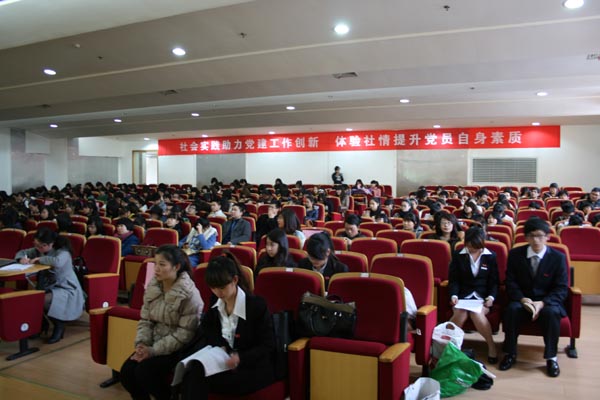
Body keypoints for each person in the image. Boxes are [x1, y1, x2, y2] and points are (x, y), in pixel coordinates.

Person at [178, 254, 276, 399]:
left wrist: (239, 358)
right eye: (213, 288)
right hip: (224, 360)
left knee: (198, 380)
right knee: (192, 373)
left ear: (235, 280)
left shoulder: (256, 306)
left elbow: (267, 345)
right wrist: (221, 347)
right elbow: (208, 329)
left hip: (251, 365)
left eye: (222, 287)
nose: (218, 292)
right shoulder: (215, 300)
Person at [120, 245, 203, 400]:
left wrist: (152, 351)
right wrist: (142, 345)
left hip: (178, 348)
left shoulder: (190, 294)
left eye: (162, 264)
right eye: (155, 263)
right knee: (126, 372)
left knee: (144, 372)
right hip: (153, 343)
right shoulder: (153, 286)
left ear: (176, 267)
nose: (156, 269)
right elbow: (146, 320)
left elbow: (184, 334)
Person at [499, 217, 568, 377]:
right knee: (512, 310)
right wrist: (522, 299)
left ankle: (551, 357)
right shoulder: (515, 254)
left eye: (540, 236)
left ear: (547, 236)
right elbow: (510, 281)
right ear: (526, 237)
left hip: (547, 301)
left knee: (551, 313)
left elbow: (561, 287)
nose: (536, 240)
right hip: (523, 299)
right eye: (531, 236)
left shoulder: (558, 257)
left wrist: (543, 303)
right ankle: (510, 353)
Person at [15, 228, 85, 344]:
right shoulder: (39, 249)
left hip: (66, 288)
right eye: (35, 245)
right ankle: (42, 324)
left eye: (41, 246)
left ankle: (59, 324)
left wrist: (39, 259)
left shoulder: (63, 252)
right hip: (49, 286)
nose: (37, 248)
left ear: (50, 244)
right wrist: (21, 258)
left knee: (41, 300)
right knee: (33, 299)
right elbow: (22, 252)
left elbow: (57, 262)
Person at [448, 226, 500, 363]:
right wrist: (454, 295)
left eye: (476, 247)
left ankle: (491, 346)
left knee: (477, 314)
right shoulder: (458, 255)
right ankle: (449, 347)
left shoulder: (491, 256)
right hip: (462, 296)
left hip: (482, 297)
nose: (472, 250)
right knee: (461, 314)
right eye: (470, 246)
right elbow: (454, 280)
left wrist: (491, 297)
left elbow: (494, 281)